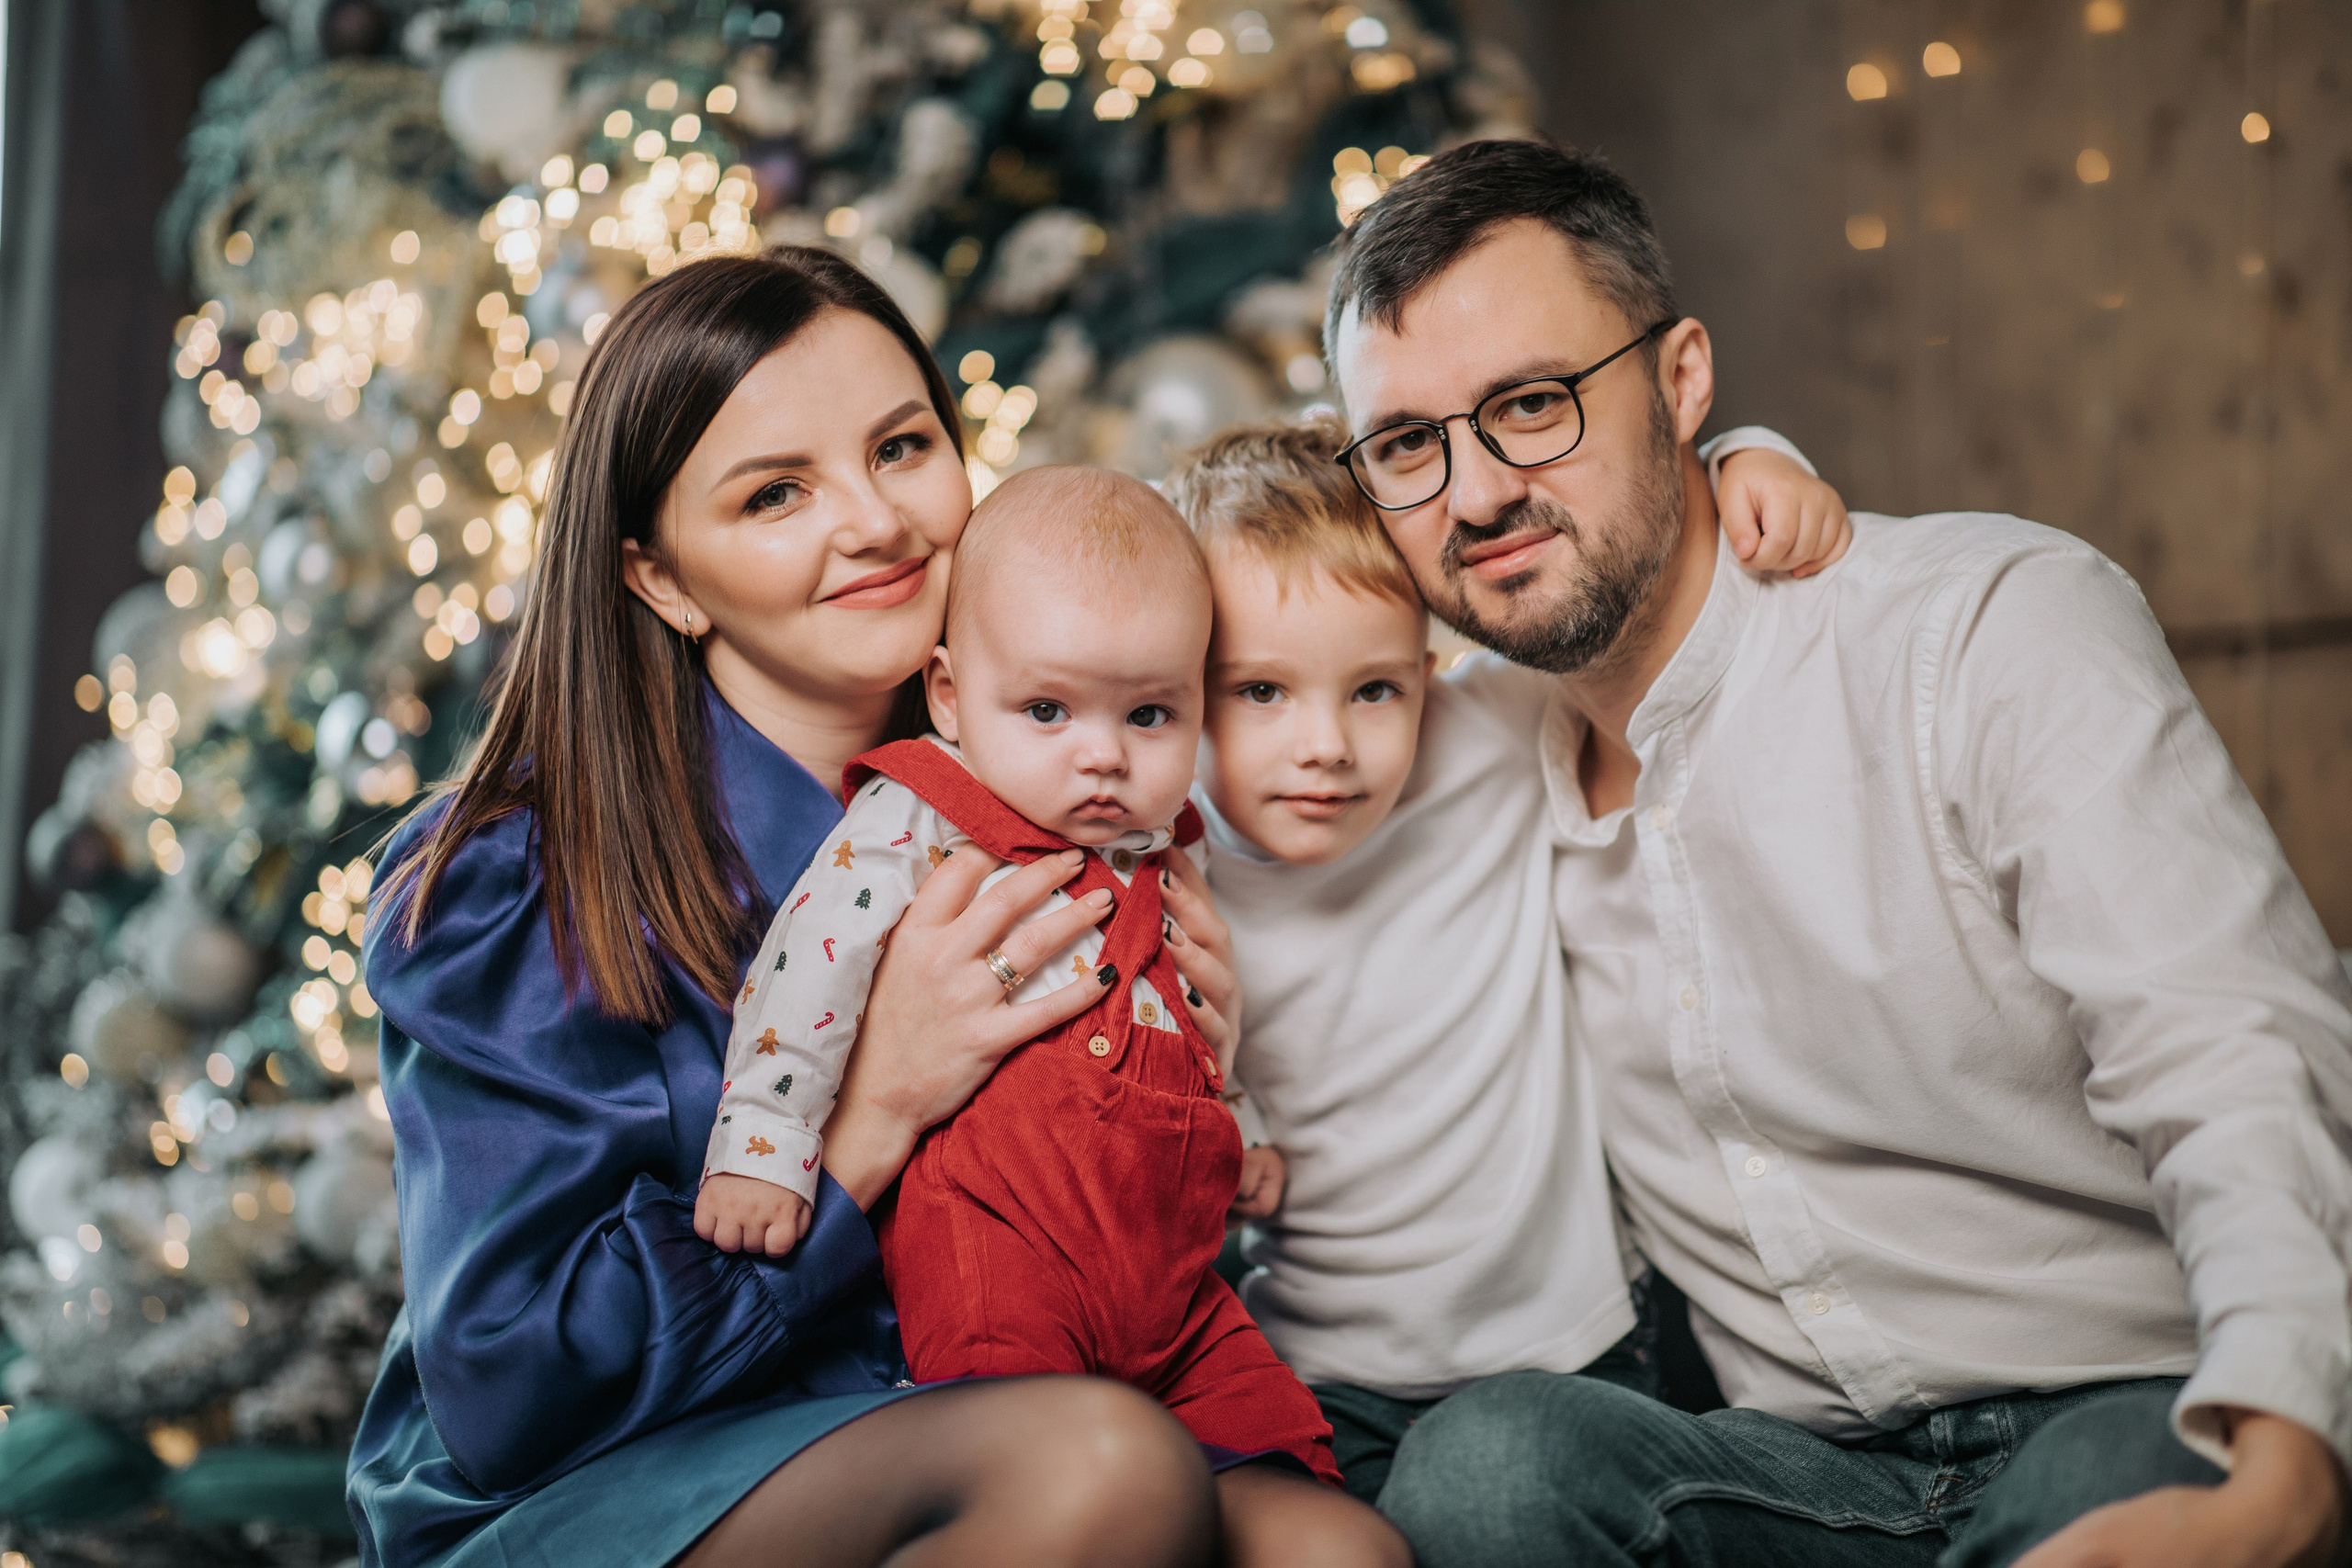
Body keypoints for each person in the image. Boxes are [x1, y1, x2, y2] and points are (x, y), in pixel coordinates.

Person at [1322, 137, 2352, 1568]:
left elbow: (2238, 1051)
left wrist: (2289, 1453)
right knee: (1488, 1467)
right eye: (1406, 444)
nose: (1477, 491)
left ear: (1682, 378)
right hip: (1793, 1476)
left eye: (1533, 405)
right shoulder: (1442, 757)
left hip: (2124, 1398)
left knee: (2110, 1489)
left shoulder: (1984, 628)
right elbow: (1176, 682)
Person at [349, 248, 1272, 1568]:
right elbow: (512, 1390)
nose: (879, 521)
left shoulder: (1075, 792)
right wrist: (869, 1111)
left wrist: (1187, 1076)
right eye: (776, 492)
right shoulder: (514, 878)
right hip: (596, 1487)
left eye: (903, 447)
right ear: (660, 577)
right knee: (1102, 1467)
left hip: (943, 1412)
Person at [695, 463, 1404, 1557]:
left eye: (1151, 714)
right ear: (948, 696)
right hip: (1001, 1258)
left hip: (1174, 1299)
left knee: (1344, 1543)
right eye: (1044, 710)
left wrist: (1245, 1122)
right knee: (1083, 1493)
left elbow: (1185, 1017)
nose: (1104, 755)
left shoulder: (1159, 853)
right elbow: (804, 970)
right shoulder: (924, 819)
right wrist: (768, 1140)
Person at [1163, 412, 1846, 1503]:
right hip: (1319, 1368)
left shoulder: (1486, 732)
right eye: (1259, 692)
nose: (1327, 746)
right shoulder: (1164, 865)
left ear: (1426, 675)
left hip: (1575, 1347)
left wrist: (1752, 460)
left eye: (1374, 689)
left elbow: (1657, 590)